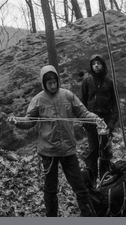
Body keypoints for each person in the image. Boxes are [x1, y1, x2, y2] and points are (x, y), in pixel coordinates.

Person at [8, 65, 107, 217]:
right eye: (49, 83)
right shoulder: (38, 99)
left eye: (55, 82)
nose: (53, 85)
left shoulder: (67, 95)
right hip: (48, 152)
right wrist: (17, 121)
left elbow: (83, 112)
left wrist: (96, 119)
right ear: (44, 83)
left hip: (68, 150)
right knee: (50, 190)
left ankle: (89, 216)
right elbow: (29, 121)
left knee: (80, 187)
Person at [81, 54, 119, 180]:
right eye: (94, 64)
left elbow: (116, 105)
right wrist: (85, 121)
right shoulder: (87, 82)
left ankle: (105, 181)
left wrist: (111, 123)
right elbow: (83, 103)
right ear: (91, 66)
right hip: (91, 122)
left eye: (99, 63)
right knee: (93, 151)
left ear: (103, 65)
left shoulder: (109, 83)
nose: (96, 65)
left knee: (105, 151)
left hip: (105, 122)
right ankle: (91, 182)